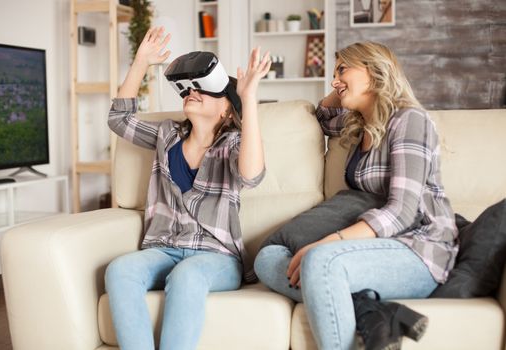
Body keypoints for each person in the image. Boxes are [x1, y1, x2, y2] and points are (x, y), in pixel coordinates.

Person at [254, 41, 459, 350]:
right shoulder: (359, 124)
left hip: (418, 248)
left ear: (374, 71)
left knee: (318, 262)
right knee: (267, 258)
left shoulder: (409, 120)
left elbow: (402, 211)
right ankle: (371, 310)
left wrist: (330, 241)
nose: (334, 81)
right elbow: (323, 116)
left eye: (342, 69)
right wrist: (343, 83)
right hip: (371, 248)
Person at [105, 26, 271, 350]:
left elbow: (251, 176)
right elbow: (119, 120)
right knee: (120, 270)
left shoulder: (233, 143)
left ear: (226, 108)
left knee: (187, 275)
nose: (192, 92)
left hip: (216, 256)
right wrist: (141, 62)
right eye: (189, 90)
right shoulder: (166, 135)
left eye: (204, 90)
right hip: (162, 247)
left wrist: (248, 100)